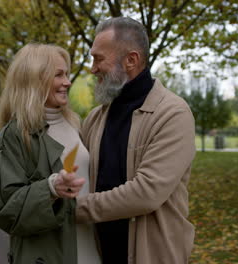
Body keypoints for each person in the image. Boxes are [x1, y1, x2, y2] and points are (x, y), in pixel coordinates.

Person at [76, 17, 197, 264]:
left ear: (131, 60)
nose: (92, 68)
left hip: (153, 256)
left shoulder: (173, 114)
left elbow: (146, 193)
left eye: (99, 59)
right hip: (100, 255)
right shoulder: (95, 119)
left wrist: (76, 209)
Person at [0, 43, 101, 264]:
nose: (68, 82)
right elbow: (3, 211)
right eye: (59, 75)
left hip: (90, 250)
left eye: (67, 74)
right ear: (35, 79)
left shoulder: (75, 124)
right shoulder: (14, 135)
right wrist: (50, 188)